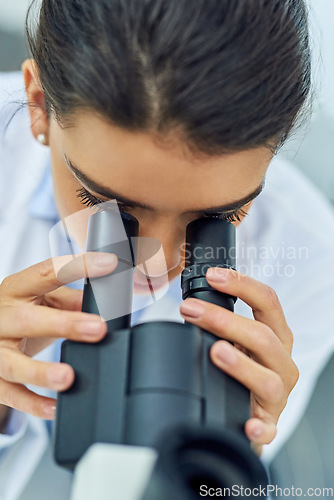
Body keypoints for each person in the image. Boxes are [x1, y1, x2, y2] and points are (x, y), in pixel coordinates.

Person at [0, 0, 334, 498]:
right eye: (102, 203)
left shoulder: (306, 253)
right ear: (39, 106)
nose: (154, 261)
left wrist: (211, 470)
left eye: (218, 219)